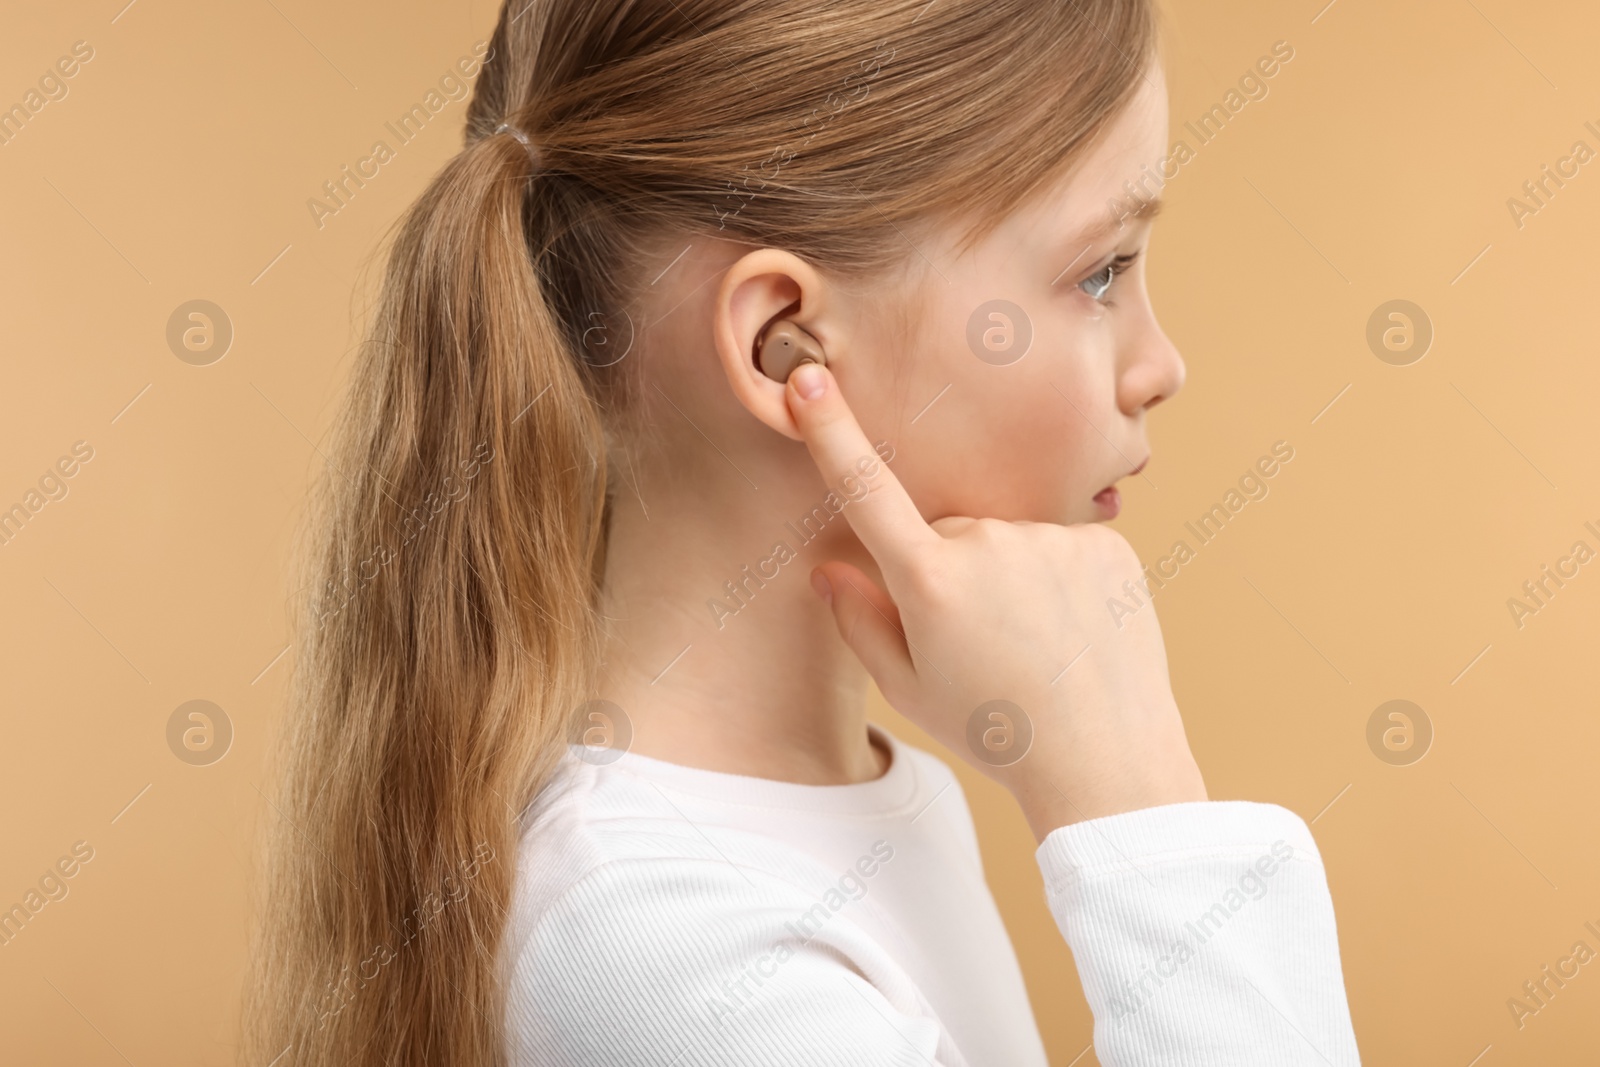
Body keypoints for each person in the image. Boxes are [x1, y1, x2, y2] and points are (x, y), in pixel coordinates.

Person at [244, 1, 1362, 1064]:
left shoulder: (881, 796)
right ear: (786, 342)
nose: (1160, 365)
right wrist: (1137, 802)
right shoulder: (671, 943)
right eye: (1099, 272)